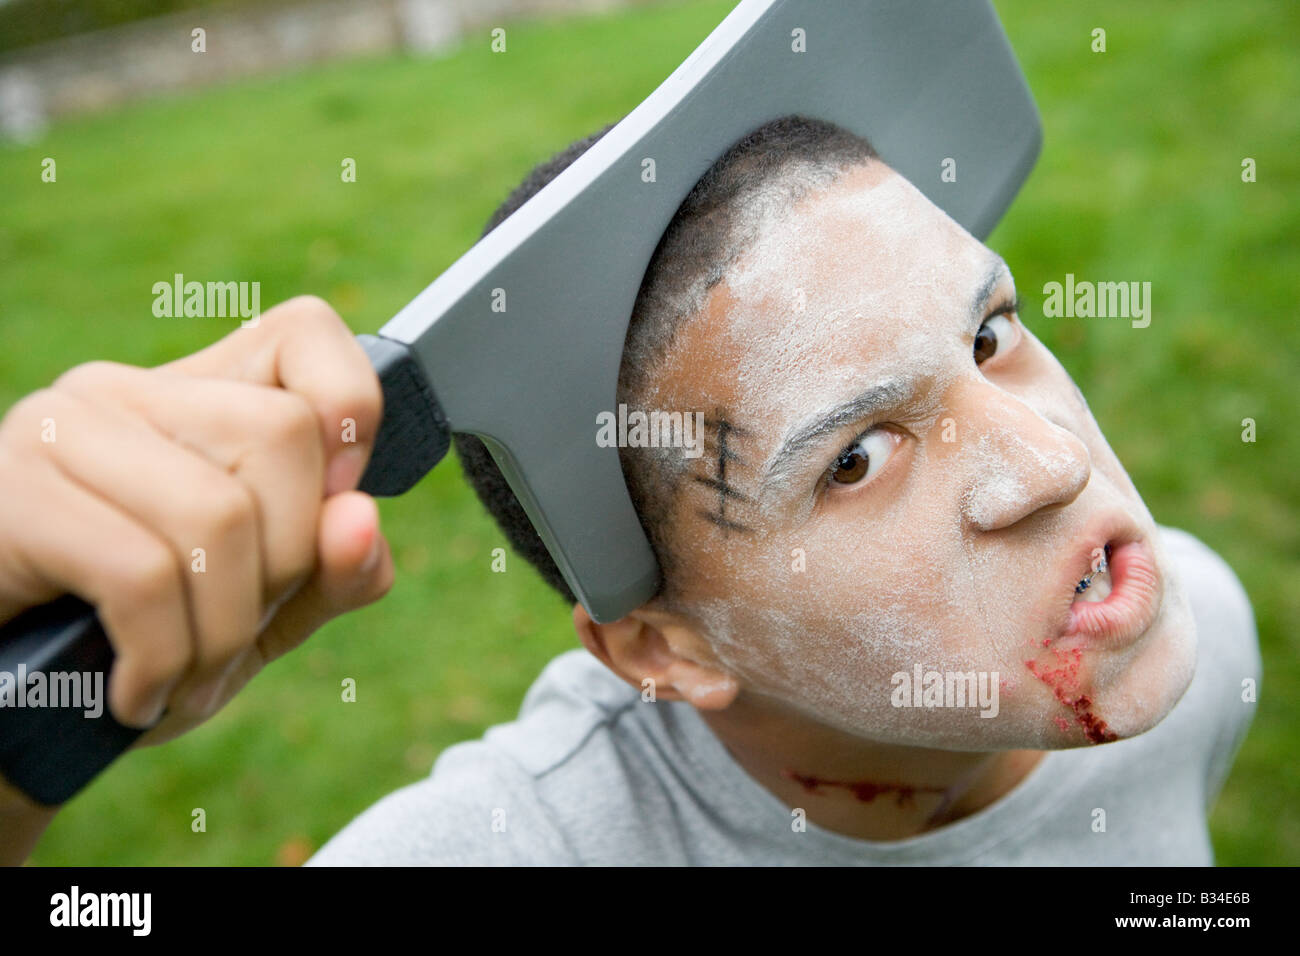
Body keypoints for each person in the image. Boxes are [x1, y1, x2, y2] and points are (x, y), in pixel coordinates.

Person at [0, 116, 1259, 866]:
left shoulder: (1189, 632)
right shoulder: (525, 847)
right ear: (663, 644)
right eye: (854, 458)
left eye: (987, 334)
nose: (1050, 463)